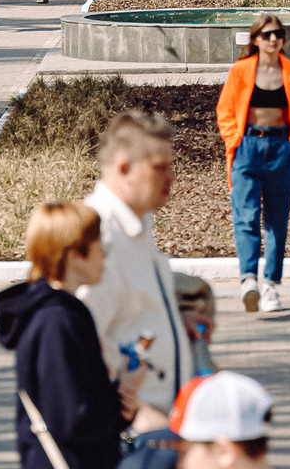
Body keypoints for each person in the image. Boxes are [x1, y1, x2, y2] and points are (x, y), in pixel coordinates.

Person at [80, 111, 204, 415]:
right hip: (134, 431)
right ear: (124, 168)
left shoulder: (137, 221)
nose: (172, 177)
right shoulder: (100, 237)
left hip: (162, 418)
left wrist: (173, 321)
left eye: (171, 166)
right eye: (160, 167)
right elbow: (80, 343)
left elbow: (132, 313)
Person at [0, 201, 130, 469]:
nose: (104, 256)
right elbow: (72, 418)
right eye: (100, 247)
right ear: (74, 254)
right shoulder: (57, 321)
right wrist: (120, 398)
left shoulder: (57, 312)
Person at [214, 13, 290, 315]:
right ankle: (249, 281)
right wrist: (235, 141)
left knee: (276, 220)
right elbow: (225, 110)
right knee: (246, 215)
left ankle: (270, 284)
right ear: (255, 39)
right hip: (247, 148)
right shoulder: (241, 71)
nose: (273, 39)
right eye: (267, 34)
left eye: (277, 34)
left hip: (281, 147)